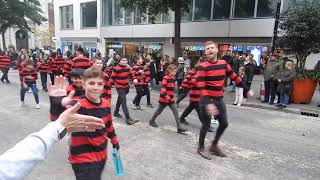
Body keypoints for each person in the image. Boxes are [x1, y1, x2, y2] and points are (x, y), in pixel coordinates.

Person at [0, 102, 106, 180]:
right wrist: (59, 118)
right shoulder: (74, 94)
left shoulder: (103, 103)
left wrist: (60, 126)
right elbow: (8, 170)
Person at [50, 68, 120, 180]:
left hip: (101, 154)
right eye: (91, 83)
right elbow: (58, 125)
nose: (96, 87)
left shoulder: (106, 104)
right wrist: (56, 106)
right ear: (83, 84)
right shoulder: (77, 104)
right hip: (82, 158)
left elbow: (109, 126)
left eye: (100, 84)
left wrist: (114, 140)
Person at [196, 41, 253, 160]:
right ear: (205, 52)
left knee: (224, 123)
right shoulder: (202, 67)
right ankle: (201, 147)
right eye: (207, 49)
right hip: (206, 101)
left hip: (219, 99)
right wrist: (208, 103)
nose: (210, 50)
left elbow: (234, 77)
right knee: (206, 125)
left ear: (217, 50)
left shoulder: (223, 63)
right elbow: (201, 86)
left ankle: (214, 145)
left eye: (212, 48)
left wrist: (247, 89)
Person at [149, 64, 188, 133]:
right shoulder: (165, 78)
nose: (174, 74)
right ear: (168, 72)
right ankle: (152, 121)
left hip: (171, 99)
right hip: (164, 99)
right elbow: (163, 91)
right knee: (159, 112)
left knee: (176, 112)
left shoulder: (173, 79)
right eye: (173, 72)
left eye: (175, 72)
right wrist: (168, 98)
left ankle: (179, 127)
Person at [111, 58, 139, 125]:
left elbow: (132, 75)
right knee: (124, 102)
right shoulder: (116, 68)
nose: (124, 62)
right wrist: (107, 86)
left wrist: (134, 79)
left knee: (120, 99)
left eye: (125, 60)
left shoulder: (128, 68)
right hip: (119, 87)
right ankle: (128, 118)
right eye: (122, 60)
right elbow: (112, 78)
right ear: (119, 61)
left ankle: (116, 112)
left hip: (126, 87)